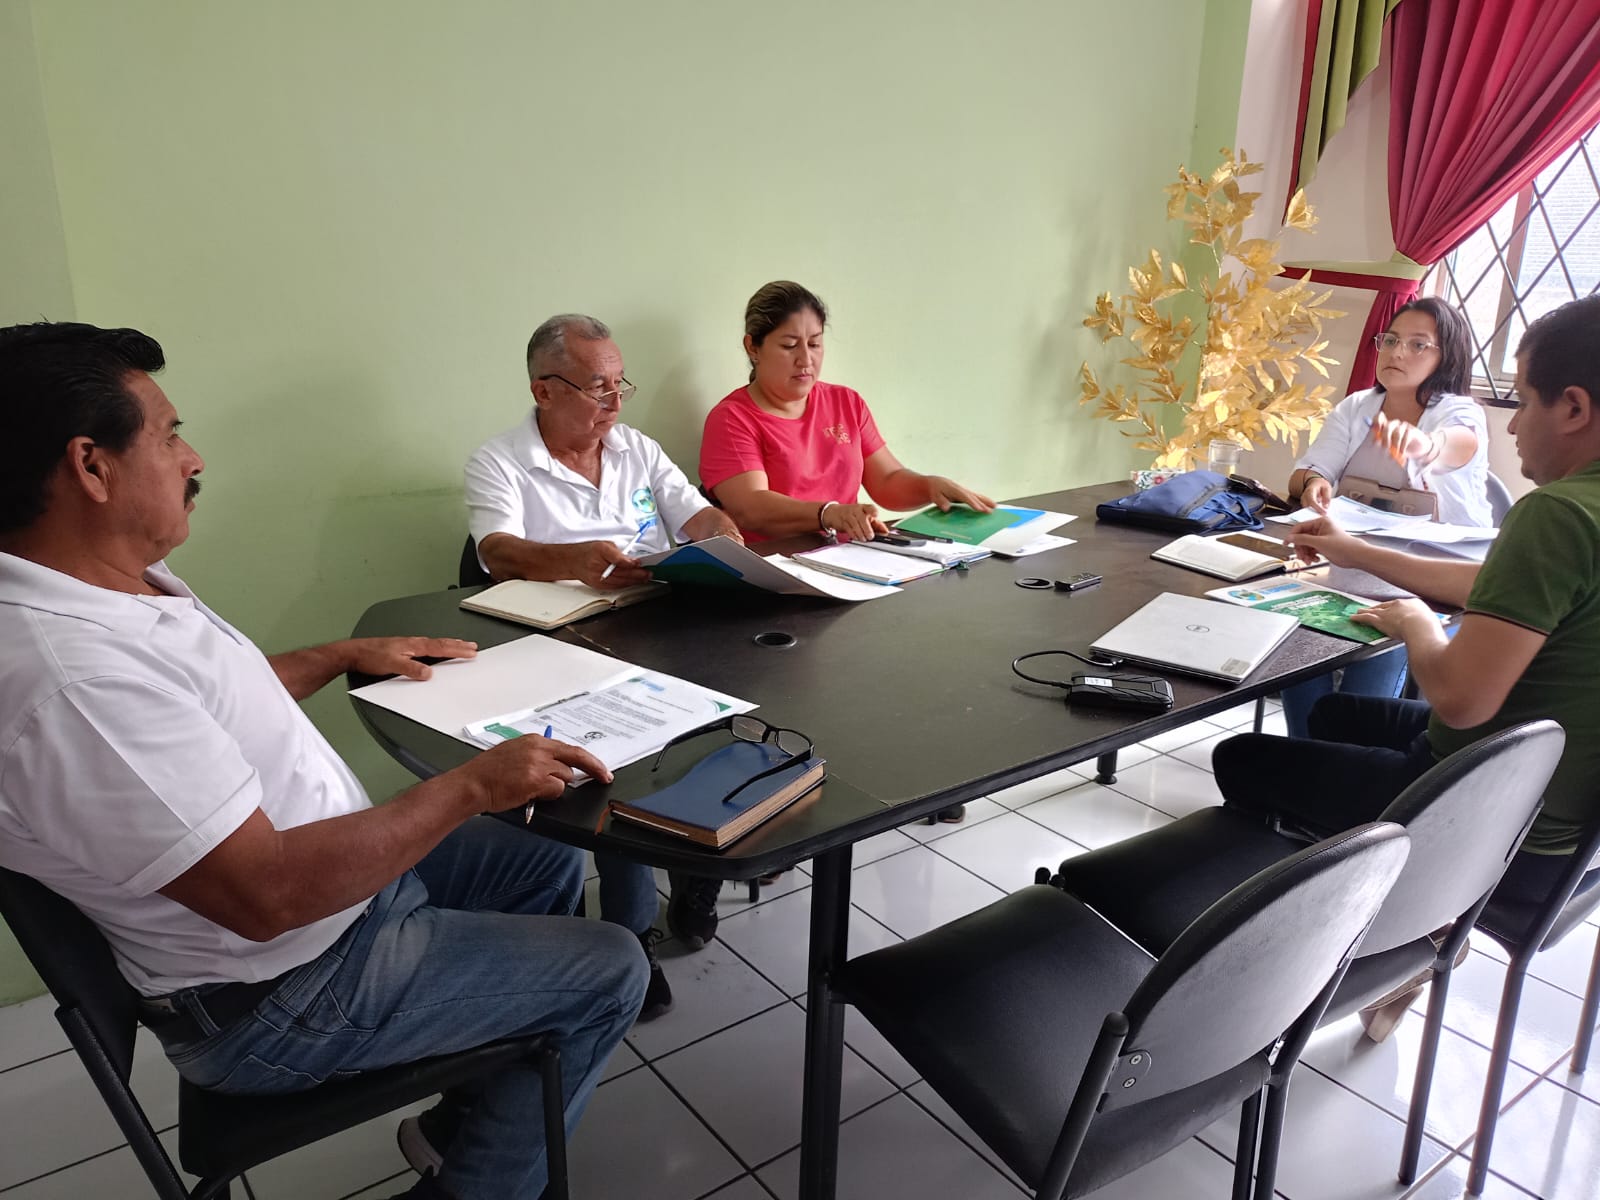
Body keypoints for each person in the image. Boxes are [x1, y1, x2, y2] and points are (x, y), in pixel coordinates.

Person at [0, 322, 647, 1200]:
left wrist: (340, 655)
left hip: (329, 908)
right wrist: (469, 786)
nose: (192, 458)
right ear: (90, 466)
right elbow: (266, 894)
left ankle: (468, 1119)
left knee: (544, 857)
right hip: (281, 992)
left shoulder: (102, 588)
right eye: (168, 434)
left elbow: (197, 706)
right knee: (612, 968)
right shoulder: (72, 681)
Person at [1212, 295, 1600, 1036]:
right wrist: (1352, 550)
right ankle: (1387, 904)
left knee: (1241, 758)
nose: (1513, 425)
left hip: (1495, 816)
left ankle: (1371, 941)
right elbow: (1495, 586)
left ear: (1574, 407)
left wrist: (1418, 622)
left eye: (1523, 402)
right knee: (1335, 712)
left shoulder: (1559, 513)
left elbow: (1459, 699)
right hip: (1570, 818)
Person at [465, 313, 742, 993]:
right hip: (558, 649)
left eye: (621, 385)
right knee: (617, 771)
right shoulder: (499, 461)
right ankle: (630, 933)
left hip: (655, 631)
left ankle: (696, 869)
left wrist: (719, 530)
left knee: (721, 725)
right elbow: (495, 552)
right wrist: (573, 560)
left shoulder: (636, 450)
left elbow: (693, 513)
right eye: (598, 388)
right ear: (544, 390)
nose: (615, 402)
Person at [699, 279, 993, 824]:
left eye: (815, 343)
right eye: (789, 345)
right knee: (809, 692)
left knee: (930, 643)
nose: (805, 359)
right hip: (773, 587)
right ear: (752, 347)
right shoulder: (733, 418)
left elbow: (887, 483)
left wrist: (930, 484)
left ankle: (915, 778)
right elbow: (750, 508)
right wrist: (826, 513)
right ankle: (786, 803)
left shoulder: (845, 403)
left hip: (850, 567)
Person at [1278, 297, 1491, 737]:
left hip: (1432, 578)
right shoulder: (1358, 406)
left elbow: (1456, 444)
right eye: (1390, 340)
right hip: (1355, 566)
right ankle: (1310, 754)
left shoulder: (1458, 412)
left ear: (1445, 357)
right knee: (1292, 644)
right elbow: (1308, 470)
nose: (1397, 352)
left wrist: (1425, 446)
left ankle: (1348, 759)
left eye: (1418, 345)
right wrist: (1314, 483)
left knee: (1369, 679)